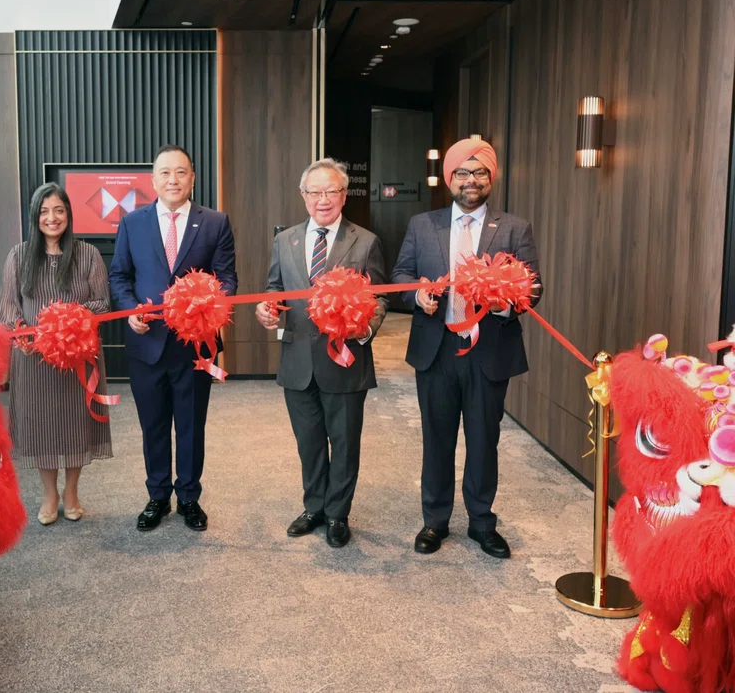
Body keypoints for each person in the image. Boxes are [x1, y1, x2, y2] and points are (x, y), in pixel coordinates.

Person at [391, 138, 541, 559]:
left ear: (490, 178)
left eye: (479, 173)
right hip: (436, 350)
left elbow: (533, 285)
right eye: (462, 172)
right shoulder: (423, 224)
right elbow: (402, 274)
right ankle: (435, 520)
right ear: (449, 178)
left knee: (483, 439)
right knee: (436, 438)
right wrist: (416, 295)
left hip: (489, 350)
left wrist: (506, 302)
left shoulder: (514, 227)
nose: (470, 180)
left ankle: (481, 521)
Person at [254, 158, 388, 548]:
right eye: (315, 191)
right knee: (308, 440)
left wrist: (364, 328)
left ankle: (337, 514)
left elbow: (379, 299)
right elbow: (273, 289)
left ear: (344, 195)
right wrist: (266, 309)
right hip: (297, 360)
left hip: (344, 360)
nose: (323, 199)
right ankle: (314, 506)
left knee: (344, 442)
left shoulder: (365, 241)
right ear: (303, 196)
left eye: (331, 191)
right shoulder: (286, 239)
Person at [109, 144, 237, 532]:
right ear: (153, 180)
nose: (173, 180)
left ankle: (189, 498)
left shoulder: (215, 222)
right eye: (165, 173)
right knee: (153, 424)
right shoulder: (133, 223)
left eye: (181, 172)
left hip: (195, 346)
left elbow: (228, 280)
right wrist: (131, 311)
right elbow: (119, 276)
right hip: (146, 344)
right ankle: (157, 496)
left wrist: (208, 310)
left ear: (192, 178)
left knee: (191, 425)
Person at [0, 182, 113, 526]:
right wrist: (21, 333)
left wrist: (72, 322)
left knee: (76, 423)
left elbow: (102, 303)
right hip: (33, 360)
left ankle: (72, 491)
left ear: (68, 215)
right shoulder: (18, 255)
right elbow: (7, 308)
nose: (52, 217)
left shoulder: (88, 254)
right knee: (40, 425)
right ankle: (50, 494)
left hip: (78, 356)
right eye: (44, 211)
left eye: (58, 210)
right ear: (35, 216)